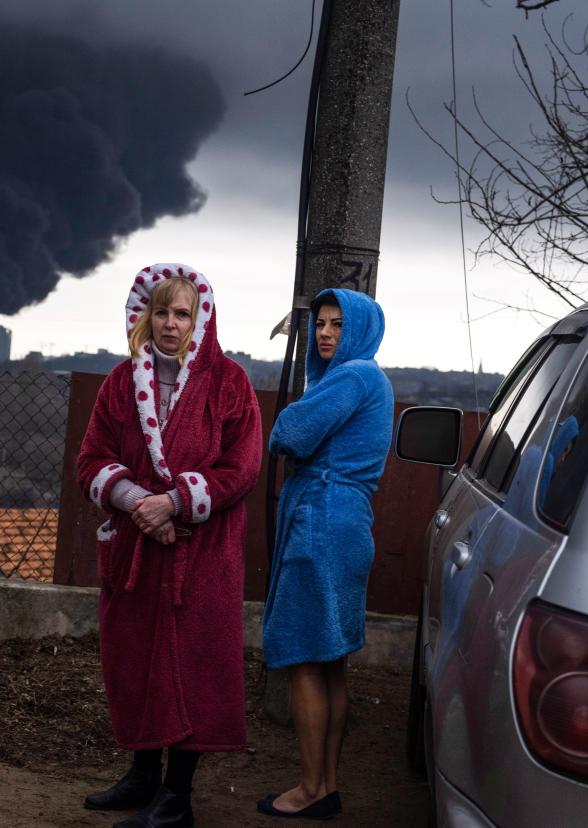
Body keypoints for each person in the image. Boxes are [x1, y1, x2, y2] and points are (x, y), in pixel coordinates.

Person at [77, 263, 262, 828]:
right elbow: (91, 459)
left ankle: (177, 796)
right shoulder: (118, 383)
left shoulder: (229, 383)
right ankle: (142, 776)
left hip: (201, 556)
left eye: (183, 313)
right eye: (162, 311)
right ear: (144, 315)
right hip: (138, 551)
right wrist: (138, 502)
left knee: (191, 666)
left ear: (200, 316)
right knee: (135, 660)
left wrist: (177, 502)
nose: (171, 323)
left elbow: (242, 466)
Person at [258, 288, 394, 821]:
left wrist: (288, 419)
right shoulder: (369, 380)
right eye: (320, 323)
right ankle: (327, 785)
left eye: (338, 324)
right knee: (330, 664)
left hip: (322, 520)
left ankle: (312, 788)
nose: (325, 333)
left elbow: (290, 432)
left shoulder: (355, 376)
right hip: (347, 521)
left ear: (360, 329)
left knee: (303, 662)